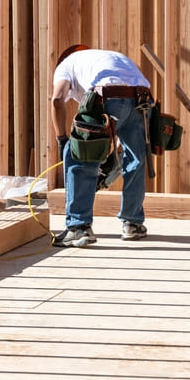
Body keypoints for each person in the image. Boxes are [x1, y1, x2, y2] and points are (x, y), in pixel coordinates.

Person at [51, 45, 152, 246]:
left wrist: (62, 139)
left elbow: (57, 100)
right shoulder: (109, 57)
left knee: (79, 156)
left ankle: (78, 228)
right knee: (136, 159)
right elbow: (124, 103)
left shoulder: (66, 65)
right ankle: (132, 224)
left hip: (106, 94)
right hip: (143, 98)